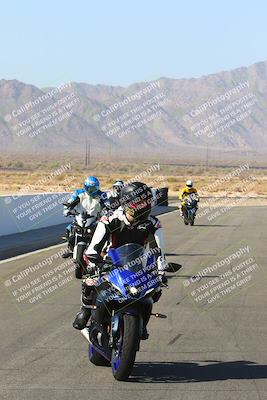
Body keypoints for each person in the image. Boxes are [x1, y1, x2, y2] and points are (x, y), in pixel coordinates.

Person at [72, 182, 168, 339]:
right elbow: (94, 246)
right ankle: (86, 309)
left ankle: (141, 323)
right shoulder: (110, 219)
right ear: (127, 203)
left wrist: (161, 270)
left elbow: (159, 250)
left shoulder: (153, 223)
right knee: (90, 281)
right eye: (139, 203)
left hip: (138, 264)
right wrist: (94, 261)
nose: (143, 206)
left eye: (146, 202)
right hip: (110, 261)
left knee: (156, 289)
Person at [62, 176, 103, 258]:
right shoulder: (79, 193)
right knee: (69, 229)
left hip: (94, 219)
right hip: (80, 217)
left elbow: (108, 203)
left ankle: (101, 251)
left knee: (103, 231)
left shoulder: (102, 195)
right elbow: (70, 201)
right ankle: (70, 248)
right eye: (89, 188)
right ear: (85, 187)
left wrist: (108, 211)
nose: (91, 191)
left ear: (97, 188)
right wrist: (67, 209)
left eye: (94, 189)